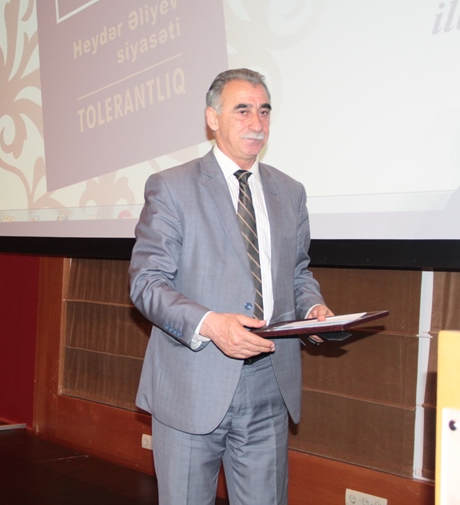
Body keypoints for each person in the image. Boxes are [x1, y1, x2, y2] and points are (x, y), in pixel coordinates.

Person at [129, 68, 333, 505]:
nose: (256, 123)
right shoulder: (172, 187)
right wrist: (211, 324)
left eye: (264, 111)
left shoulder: (290, 192)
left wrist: (313, 309)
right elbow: (147, 283)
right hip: (192, 384)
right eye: (242, 111)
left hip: (270, 384)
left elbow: (298, 273)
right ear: (212, 118)